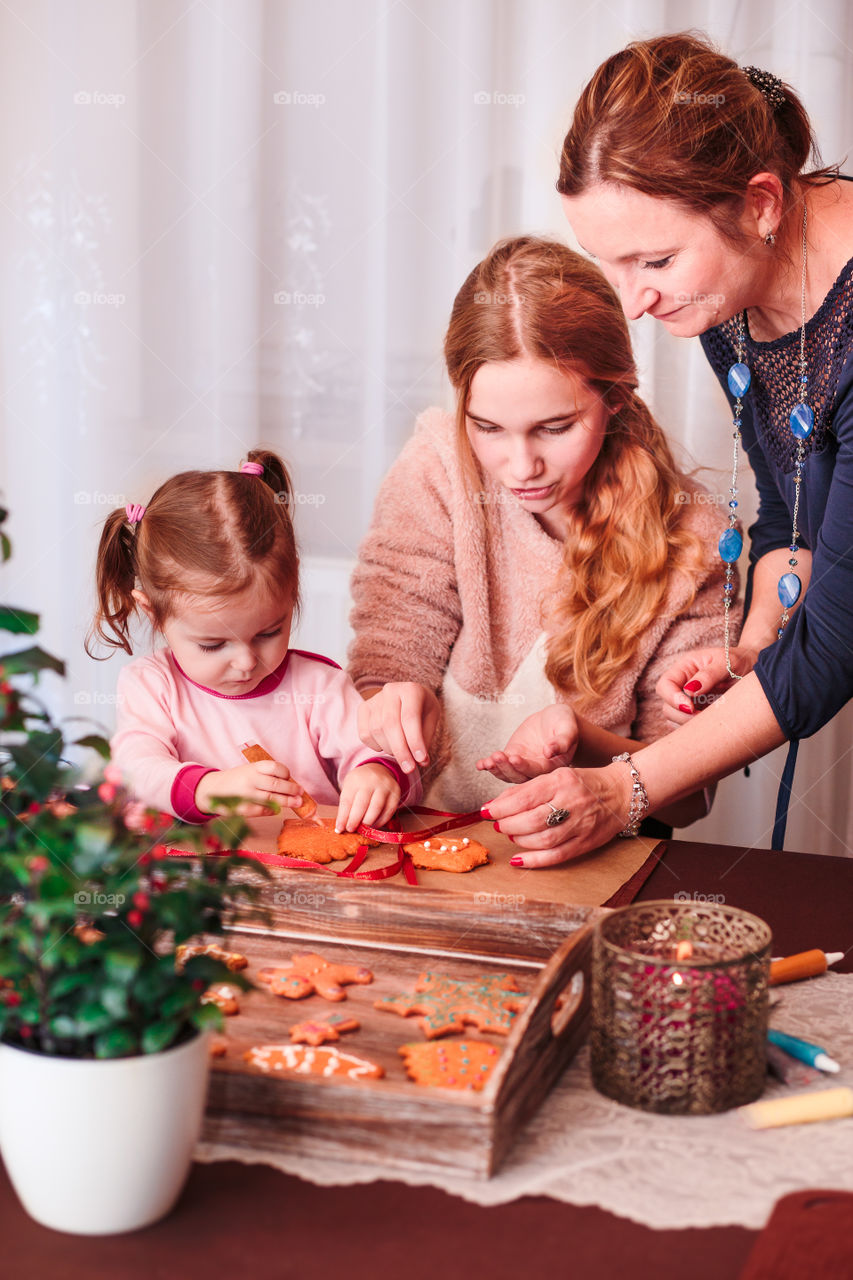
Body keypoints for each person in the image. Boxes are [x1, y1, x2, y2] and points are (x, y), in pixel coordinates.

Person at [485, 32, 853, 865]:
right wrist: (758, 632)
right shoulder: (729, 296)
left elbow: (836, 643)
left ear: (760, 202)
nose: (635, 302)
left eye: (652, 259)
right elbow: (790, 510)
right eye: (608, 265)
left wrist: (626, 789)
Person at [348, 235, 736, 827]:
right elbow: (386, 665)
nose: (521, 466)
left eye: (555, 428)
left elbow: (685, 798)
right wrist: (387, 704)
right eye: (489, 427)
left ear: (614, 396)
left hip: (592, 867)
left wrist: (583, 742)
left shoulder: (697, 539)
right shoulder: (435, 471)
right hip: (430, 843)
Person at [88, 451, 417, 831]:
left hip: (308, 879)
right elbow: (136, 769)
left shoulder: (318, 687)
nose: (246, 661)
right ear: (152, 613)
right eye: (213, 645)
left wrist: (376, 774)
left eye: (268, 633)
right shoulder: (151, 686)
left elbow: (373, 749)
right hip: (196, 875)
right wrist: (208, 788)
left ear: (292, 590)